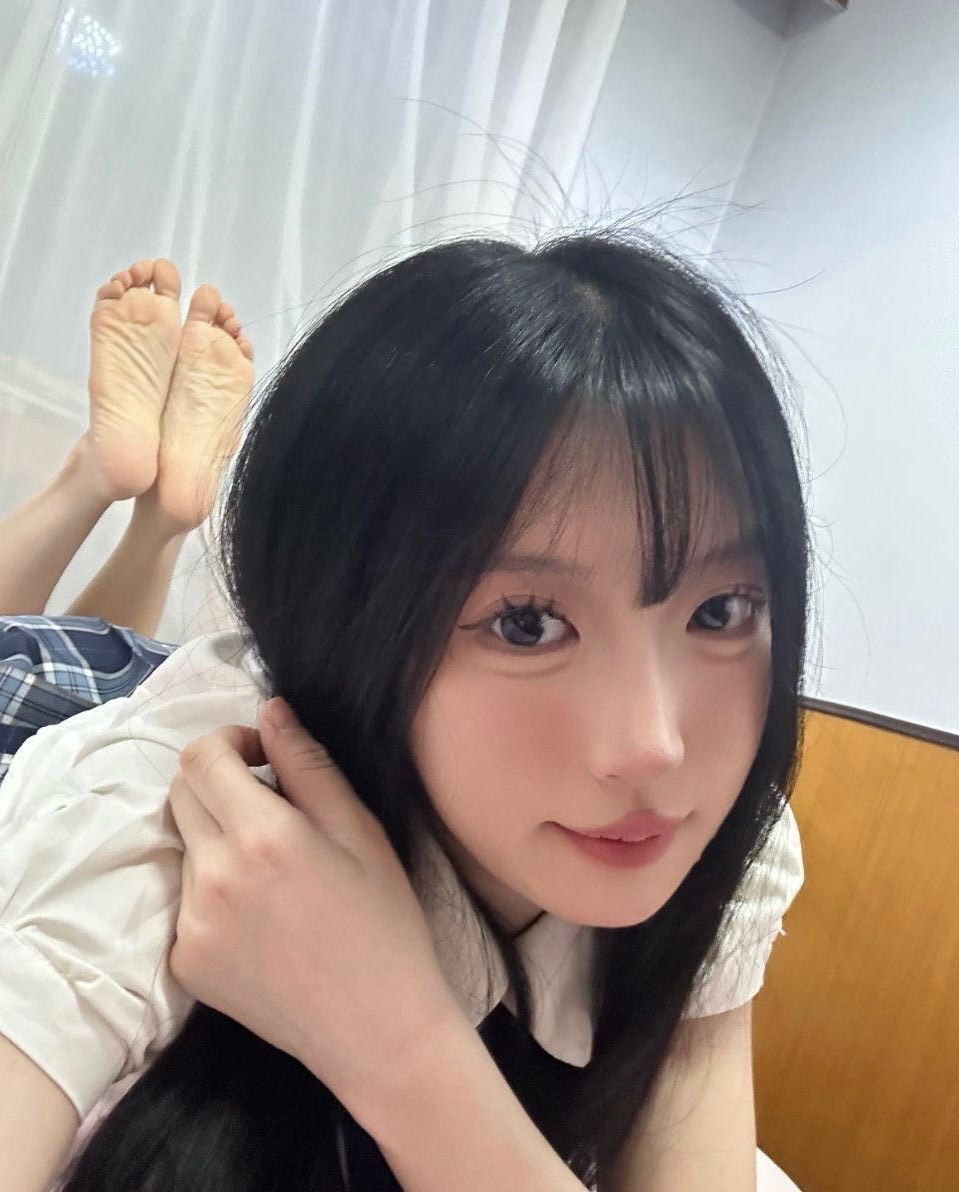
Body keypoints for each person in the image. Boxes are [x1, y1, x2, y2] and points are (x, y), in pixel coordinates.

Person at [0, 231, 808, 1192]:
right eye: (526, 623)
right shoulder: (173, 826)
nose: (653, 747)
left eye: (721, 611)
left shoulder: (716, 831)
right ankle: (117, 486)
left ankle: (158, 514)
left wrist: (400, 1042)